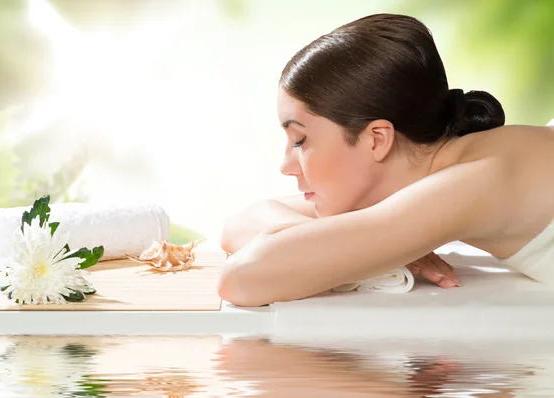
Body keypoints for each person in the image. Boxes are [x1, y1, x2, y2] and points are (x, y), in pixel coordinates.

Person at [218, 13, 554, 307]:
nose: (286, 166)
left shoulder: (472, 182)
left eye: (301, 140)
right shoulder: (435, 170)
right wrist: (364, 247)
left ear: (377, 139)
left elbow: (242, 278)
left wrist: (356, 249)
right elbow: (240, 225)